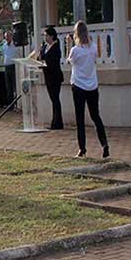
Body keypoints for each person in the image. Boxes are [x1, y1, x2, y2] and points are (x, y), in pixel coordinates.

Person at [68, 21, 109, 159]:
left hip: (78, 85)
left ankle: (82, 148)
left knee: (80, 119)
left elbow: (70, 61)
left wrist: (69, 44)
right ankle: (104, 144)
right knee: (95, 116)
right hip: (92, 85)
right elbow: (94, 59)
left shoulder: (75, 50)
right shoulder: (93, 48)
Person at [36, 26, 64, 130]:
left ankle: (57, 122)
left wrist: (45, 63)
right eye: (44, 35)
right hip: (47, 75)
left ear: (51, 36)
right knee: (53, 99)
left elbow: (53, 62)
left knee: (55, 99)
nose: (45, 37)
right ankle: (55, 121)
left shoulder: (56, 47)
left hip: (55, 76)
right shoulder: (45, 47)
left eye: (46, 35)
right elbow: (41, 58)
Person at [2, 30, 21, 106]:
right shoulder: (4, 45)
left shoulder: (16, 44)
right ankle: (10, 104)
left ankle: (17, 103)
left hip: (14, 66)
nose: (7, 38)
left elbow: (19, 55)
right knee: (8, 86)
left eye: (8, 36)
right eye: (6, 36)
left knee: (15, 86)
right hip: (7, 67)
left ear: (12, 36)